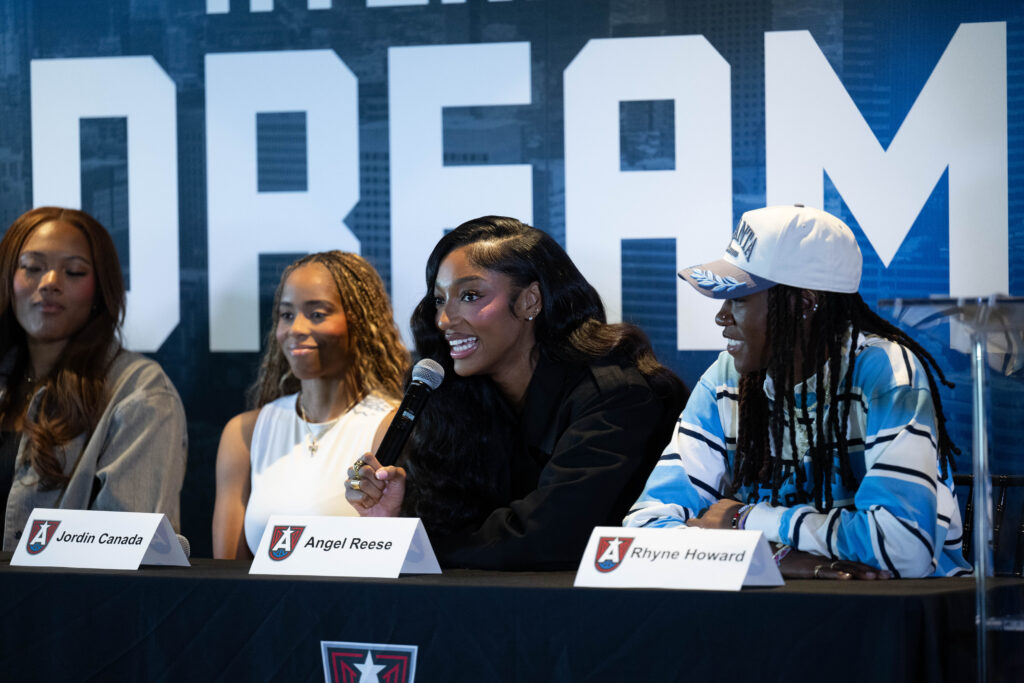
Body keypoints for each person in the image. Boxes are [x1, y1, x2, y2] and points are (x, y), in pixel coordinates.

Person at [625, 204, 971, 579]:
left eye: (738, 298)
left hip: (909, 616)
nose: (721, 316)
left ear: (802, 304)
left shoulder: (886, 372)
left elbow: (903, 550)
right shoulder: (726, 379)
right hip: (790, 612)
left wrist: (745, 518)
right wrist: (784, 558)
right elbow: (644, 530)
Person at [344, 216, 688, 570]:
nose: (444, 320)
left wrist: (419, 545)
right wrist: (396, 520)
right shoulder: (463, 399)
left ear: (530, 301)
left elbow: (549, 534)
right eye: (439, 300)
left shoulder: (618, 397)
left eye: (470, 295)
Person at [0, 206, 187, 551]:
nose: (50, 283)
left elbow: (125, 551)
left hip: (58, 602)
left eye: (73, 272)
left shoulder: (140, 391)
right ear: (8, 278)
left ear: (100, 290)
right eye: (32, 267)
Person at [212, 251, 409, 559]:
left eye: (317, 314)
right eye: (287, 315)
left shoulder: (391, 426)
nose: (296, 329)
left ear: (359, 322)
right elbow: (225, 576)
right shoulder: (244, 434)